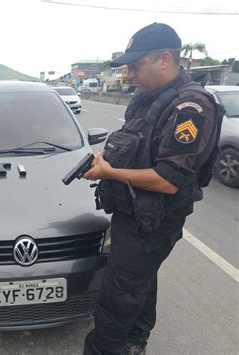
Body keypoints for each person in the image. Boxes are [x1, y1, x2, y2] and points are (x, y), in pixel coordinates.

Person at [83, 23, 223, 355]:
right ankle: (135, 341)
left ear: (164, 59)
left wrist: (110, 171)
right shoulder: (149, 100)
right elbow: (136, 146)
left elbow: (169, 179)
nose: (130, 74)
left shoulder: (190, 107)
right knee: (138, 283)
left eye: (136, 65)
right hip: (133, 213)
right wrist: (108, 157)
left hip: (152, 222)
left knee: (118, 295)